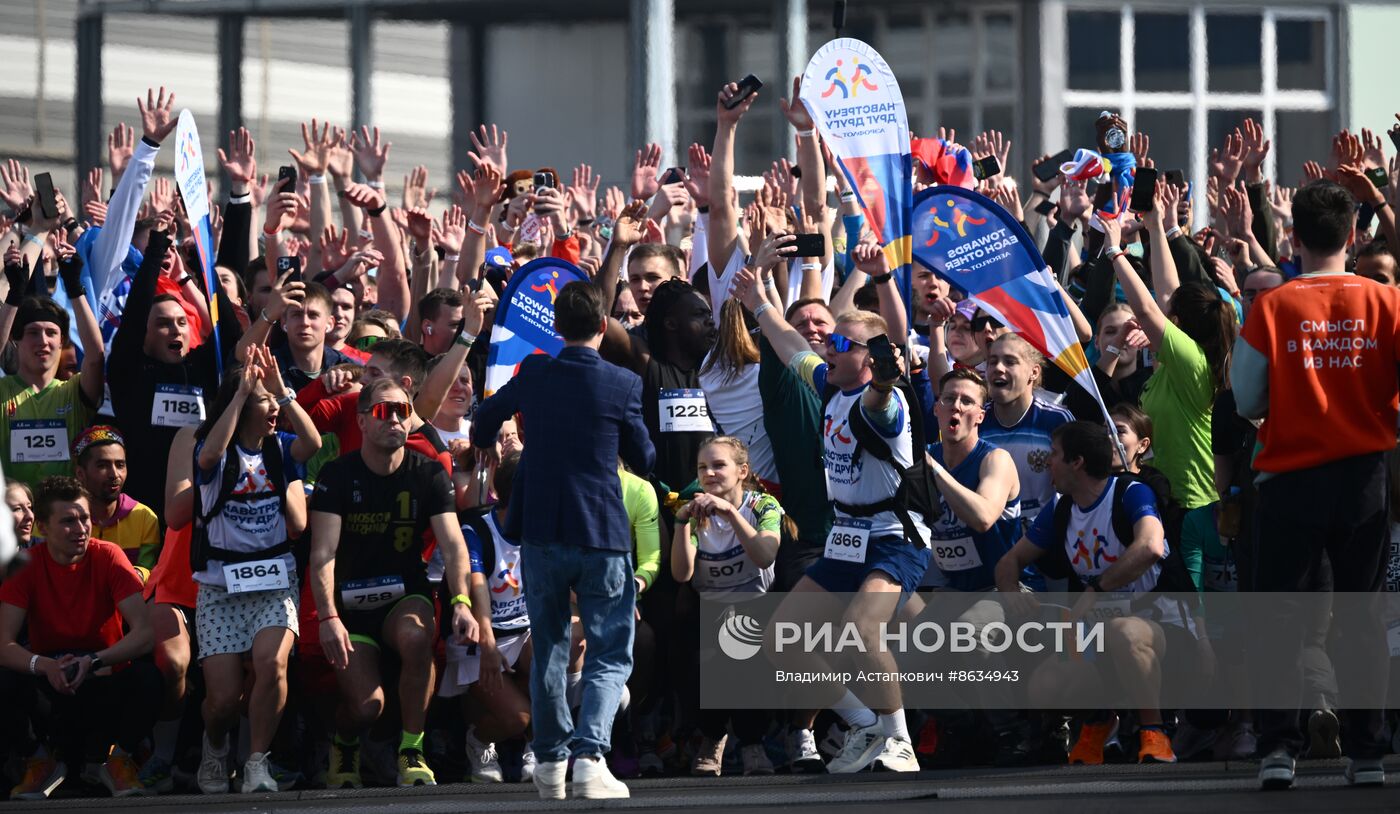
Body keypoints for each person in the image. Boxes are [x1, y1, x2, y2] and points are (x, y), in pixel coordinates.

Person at [1230, 178, 1399, 790]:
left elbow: (1247, 396)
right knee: (1361, 617)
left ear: (1293, 236)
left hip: (1289, 479)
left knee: (1280, 618)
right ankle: (1369, 753)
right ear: (1352, 236)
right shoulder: (1388, 301)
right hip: (1364, 479)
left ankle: (1279, 749)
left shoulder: (1272, 307)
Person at [737, 259, 932, 775]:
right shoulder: (828, 383)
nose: (831, 346)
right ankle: (864, 721)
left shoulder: (880, 405)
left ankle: (899, 740)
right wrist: (757, 301)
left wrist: (888, 381)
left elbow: (882, 398)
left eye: (845, 344)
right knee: (783, 639)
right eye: (833, 340)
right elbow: (788, 343)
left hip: (893, 537)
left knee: (861, 630)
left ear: (869, 360)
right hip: (847, 537)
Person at [471, 281, 655, 800]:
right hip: (600, 531)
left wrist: (489, 443)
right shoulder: (621, 382)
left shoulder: (534, 372)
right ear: (602, 326)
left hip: (543, 533)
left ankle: (552, 764)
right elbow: (644, 459)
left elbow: (485, 419)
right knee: (609, 652)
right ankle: (589, 758)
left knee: (550, 646)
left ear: (556, 328)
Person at [310, 378, 480, 789]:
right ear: (363, 421)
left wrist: (460, 600)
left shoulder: (427, 474)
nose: (397, 420)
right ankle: (345, 740)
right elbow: (323, 555)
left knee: (418, 635)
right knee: (367, 708)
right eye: (386, 411)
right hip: (349, 604)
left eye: (404, 411)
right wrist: (329, 616)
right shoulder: (336, 475)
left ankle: (411, 749)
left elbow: (454, 546)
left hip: (405, 594)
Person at [995, 422, 1193, 767]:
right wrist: (1011, 592)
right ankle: (1100, 722)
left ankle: (1155, 732)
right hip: (1102, 638)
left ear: (1077, 462)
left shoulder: (1130, 492)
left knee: (1124, 633)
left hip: (1163, 631)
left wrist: (1097, 588)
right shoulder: (1060, 507)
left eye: (1054, 455)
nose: (1046, 463)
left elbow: (1149, 546)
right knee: (1044, 687)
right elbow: (1009, 562)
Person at [190, 346, 320, 794]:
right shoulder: (216, 454)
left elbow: (314, 443)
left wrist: (283, 392)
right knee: (223, 700)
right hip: (220, 586)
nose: (273, 413)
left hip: (273, 580)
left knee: (272, 664)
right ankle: (214, 746)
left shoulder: (282, 450)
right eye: (265, 404)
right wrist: (244, 391)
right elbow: (207, 457)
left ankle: (257, 761)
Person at [0, 476, 160, 799]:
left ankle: (117, 760)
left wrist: (95, 661)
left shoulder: (109, 556)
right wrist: (45, 666)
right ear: (43, 527)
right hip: (52, 686)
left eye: (85, 518)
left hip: (102, 678)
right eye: (69, 521)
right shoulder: (26, 566)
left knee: (150, 678)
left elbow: (144, 632)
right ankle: (38, 760)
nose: (81, 528)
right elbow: (3, 644)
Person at [108, 212, 244, 519]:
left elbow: (231, 334)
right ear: (145, 334)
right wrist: (155, 251)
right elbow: (132, 318)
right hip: (141, 512)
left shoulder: (202, 367)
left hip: (198, 511)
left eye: (182, 322)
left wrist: (199, 271)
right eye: (164, 324)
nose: (176, 330)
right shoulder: (130, 371)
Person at [671, 436, 786, 777]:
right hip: (709, 610)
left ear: (742, 471)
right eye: (702, 467)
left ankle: (752, 742)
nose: (709, 474)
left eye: (719, 465)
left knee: (742, 646)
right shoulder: (694, 512)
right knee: (689, 651)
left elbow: (765, 554)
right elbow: (682, 573)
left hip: (756, 608)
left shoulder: (763, 506)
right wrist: (681, 525)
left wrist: (731, 514)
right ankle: (712, 736)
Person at [442, 450, 533, 785]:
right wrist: (489, 643)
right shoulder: (477, 527)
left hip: (522, 633)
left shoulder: (542, 525)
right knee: (518, 718)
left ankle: (533, 744)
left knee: (557, 654)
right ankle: (479, 740)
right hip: (481, 637)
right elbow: (477, 584)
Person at [0, 248, 106, 489]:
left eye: (51, 333)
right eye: (33, 333)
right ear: (16, 340)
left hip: (64, 519)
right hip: (10, 519)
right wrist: (14, 295)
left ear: (62, 342)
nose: (43, 341)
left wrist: (74, 287)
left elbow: (95, 357)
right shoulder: (3, 390)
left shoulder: (72, 392)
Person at [978, 333, 1074, 536]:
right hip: (991, 540)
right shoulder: (976, 420)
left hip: (1046, 543)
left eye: (1010, 361)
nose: (998, 368)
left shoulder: (1057, 420)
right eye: (992, 361)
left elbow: (1074, 488)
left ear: (1033, 372)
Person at [71, 425, 160, 572]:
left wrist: (135, 575)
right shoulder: (57, 516)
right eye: (102, 465)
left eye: (120, 465)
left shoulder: (145, 517)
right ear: (80, 473)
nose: (114, 474)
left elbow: (147, 570)